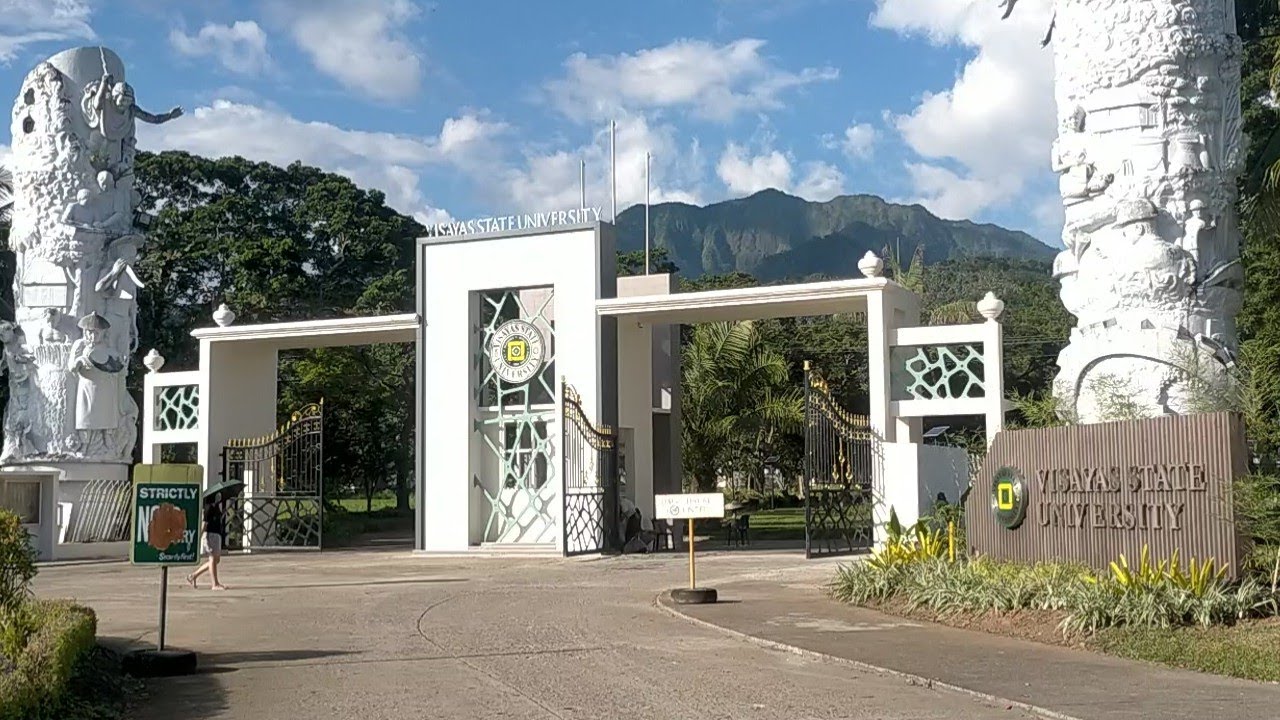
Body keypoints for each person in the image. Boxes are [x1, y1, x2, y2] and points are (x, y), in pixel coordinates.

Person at [187, 497, 227, 590]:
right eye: (216, 496)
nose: (219, 498)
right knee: (212, 558)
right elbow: (204, 524)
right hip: (210, 534)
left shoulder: (216, 506)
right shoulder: (208, 507)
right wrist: (199, 538)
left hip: (216, 534)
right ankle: (215, 584)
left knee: (216, 560)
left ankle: (193, 575)